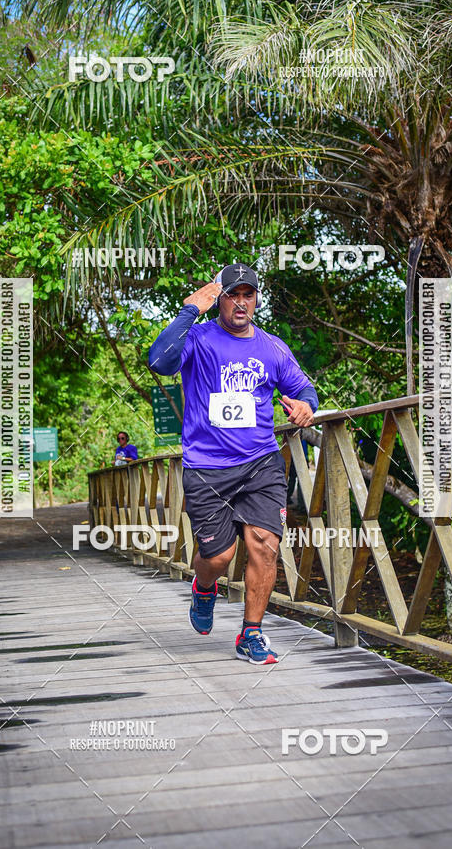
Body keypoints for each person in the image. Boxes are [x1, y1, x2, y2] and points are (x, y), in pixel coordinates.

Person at [148, 263, 318, 664]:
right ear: (219, 299)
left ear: (256, 299)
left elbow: (303, 387)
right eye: (232, 294)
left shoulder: (272, 347)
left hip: (260, 462)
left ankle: (251, 634)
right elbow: (160, 361)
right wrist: (190, 310)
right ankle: (204, 586)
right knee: (219, 557)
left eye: (248, 294)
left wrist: (307, 407)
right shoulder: (199, 338)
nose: (241, 302)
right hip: (207, 466)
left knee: (265, 547)